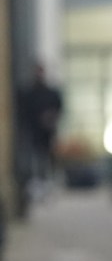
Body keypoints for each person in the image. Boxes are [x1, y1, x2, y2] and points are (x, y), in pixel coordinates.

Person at [19, 62, 63, 197]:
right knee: (35, 159)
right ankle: (37, 184)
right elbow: (24, 112)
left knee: (48, 159)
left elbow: (59, 107)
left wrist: (51, 117)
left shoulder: (50, 92)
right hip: (33, 133)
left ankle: (48, 183)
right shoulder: (30, 92)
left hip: (47, 133)